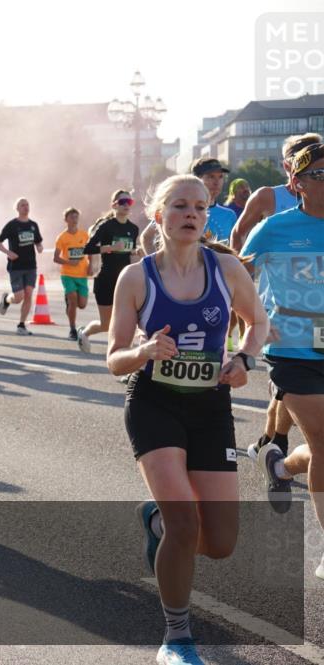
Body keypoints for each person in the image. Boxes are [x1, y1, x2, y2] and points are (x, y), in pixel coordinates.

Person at [108, 174, 267, 665]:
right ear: (159, 217)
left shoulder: (225, 269)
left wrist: (243, 360)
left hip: (210, 408)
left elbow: (258, 322)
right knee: (184, 524)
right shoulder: (136, 278)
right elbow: (114, 358)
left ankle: (154, 521)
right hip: (154, 404)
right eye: (179, 206)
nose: (192, 214)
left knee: (218, 542)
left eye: (200, 206)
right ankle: (176, 637)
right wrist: (144, 350)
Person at [242, 140, 324, 579]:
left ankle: (282, 464)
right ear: (298, 183)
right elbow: (239, 278)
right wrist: (252, 325)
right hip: (292, 348)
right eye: (321, 175)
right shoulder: (274, 228)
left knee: (319, 446)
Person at [77, 190, 142, 354]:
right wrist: (110, 248)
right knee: (106, 325)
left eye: (129, 202)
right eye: (122, 202)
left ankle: (125, 357)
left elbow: (128, 250)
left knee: (128, 322)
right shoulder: (106, 226)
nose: (126, 205)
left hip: (125, 280)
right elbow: (88, 248)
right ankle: (84, 333)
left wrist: (135, 251)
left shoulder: (133, 228)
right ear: (114, 205)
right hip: (105, 279)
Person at [0, 198, 43, 335]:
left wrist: (39, 247)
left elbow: (38, 242)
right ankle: (6, 299)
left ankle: (21, 325)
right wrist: (8, 252)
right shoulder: (12, 225)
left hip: (31, 265)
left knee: (28, 294)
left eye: (27, 204)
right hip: (16, 266)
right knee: (19, 297)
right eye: (22, 205)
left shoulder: (33, 225)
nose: (25, 207)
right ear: (17, 208)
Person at [53, 207, 90, 340]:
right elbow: (56, 258)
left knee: (82, 305)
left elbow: (90, 252)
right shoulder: (62, 237)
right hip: (67, 274)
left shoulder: (84, 235)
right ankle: (72, 329)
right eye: (71, 217)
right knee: (73, 301)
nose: (74, 220)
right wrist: (69, 262)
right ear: (66, 220)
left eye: (76, 217)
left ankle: (69, 303)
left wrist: (91, 266)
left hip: (82, 275)